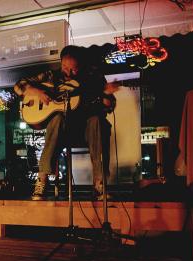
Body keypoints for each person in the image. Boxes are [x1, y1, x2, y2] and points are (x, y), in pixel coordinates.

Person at [14, 45, 117, 200]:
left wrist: (107, 97)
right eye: (64, 67)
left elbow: (109, 106)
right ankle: (41, 181)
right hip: (60, 132)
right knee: (57, 118)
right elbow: (19, 85)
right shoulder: (50, 76)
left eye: (73, 69)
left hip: (84, 130)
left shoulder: (92, 78)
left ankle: (99, 183)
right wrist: (36, 91)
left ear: (81, 66)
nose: (67, 73)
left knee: (96, 120)